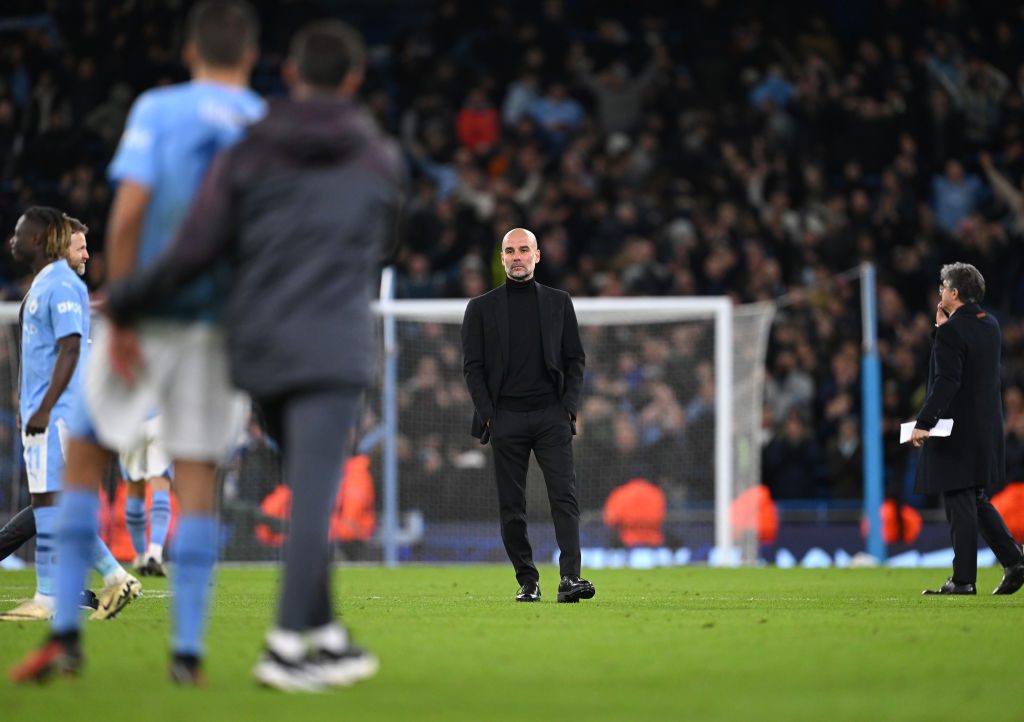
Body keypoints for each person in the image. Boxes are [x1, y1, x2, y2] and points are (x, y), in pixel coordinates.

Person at [103, 19, 403, 691]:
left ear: (291, 75)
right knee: (314, 497)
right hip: (330, 345)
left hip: (259, 346)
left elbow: (197, 245)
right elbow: (388, 240)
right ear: (354, 80)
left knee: (304, 483)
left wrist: (127, 299)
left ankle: (325, 634)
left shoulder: (249, 148)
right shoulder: (379, 155)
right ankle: (284, 646)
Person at [10, 0, 263, 685]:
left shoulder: (158, 110)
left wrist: (120, 310)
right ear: (249, 58)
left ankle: (66, 635)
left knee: (80, 468)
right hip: (219, 327)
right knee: (198, 481)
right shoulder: (262, 127)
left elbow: (129, 211)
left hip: (156, 315)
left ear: (189, 55)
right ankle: (187, 653)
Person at [0, 207, 137, 622]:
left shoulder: (60, 284)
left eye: (20, 233)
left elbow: (71, 347)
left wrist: (42, 406)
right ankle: (110, 579)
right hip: (47, 411)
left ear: (41, 239)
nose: (12, 240)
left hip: (58, 413)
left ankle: (53, 594)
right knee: (50, 505)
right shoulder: (45, 283)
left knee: (51, 503)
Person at [461, 227, 594, 604]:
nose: (517, 256)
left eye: (524, 249)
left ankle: (570, 578)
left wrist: (567, 408)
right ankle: (528, 580)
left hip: (551, 415)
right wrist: (489, 415)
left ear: (537, 255)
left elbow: (575, 359)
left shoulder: (559, 302)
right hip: (506, 419)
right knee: (512, 505)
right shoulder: (480, 308)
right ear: (501, 258)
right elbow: (472, 367)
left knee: (564, 497)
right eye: (510, 251)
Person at [912, 262, 1024, 595]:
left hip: (957, 430)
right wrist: (941, 330)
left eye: (943, 287)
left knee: (959, 497)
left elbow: (947, 381)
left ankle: (963, 579)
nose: (940, 292)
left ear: (955, 293)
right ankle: (1014, 561)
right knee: (974, 498)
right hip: (987, 428)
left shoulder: (952, 332)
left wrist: (923, 423)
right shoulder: (989, 324)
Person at [120, 414, 173, 577]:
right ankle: (155, 553)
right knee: (161, 487)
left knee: (134, 490)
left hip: (129, 420)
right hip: (159, 418)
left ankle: (141, 556)